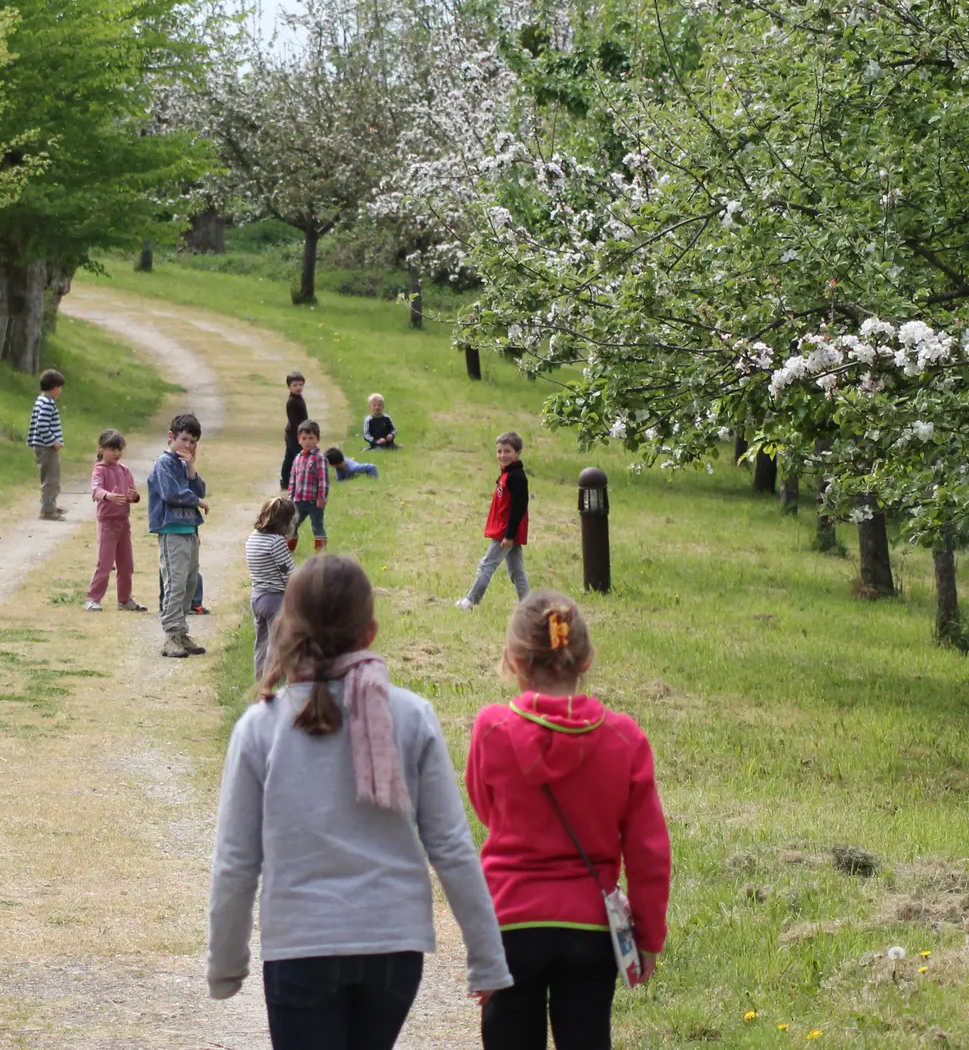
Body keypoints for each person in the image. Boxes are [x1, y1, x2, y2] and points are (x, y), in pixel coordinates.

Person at [207, 556, 514, 1048]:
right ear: (370, 632)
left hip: (300, 948)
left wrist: (226, 963)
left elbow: (236, 862)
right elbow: (452, 848)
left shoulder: (260, 728)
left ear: (286, 627)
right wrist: (487, 959)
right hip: (393, 949)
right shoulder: (412, 715)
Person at [466, 592, 670, 1050]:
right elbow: (648, 852)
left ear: (514, 660)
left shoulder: (492, 728)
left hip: (511, 925)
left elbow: (485, 807)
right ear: (587, 659)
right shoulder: (625, 738)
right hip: (590, 926)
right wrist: (649, 935)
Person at [148, 413, 209, 658]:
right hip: (171, 531)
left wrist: (192, 467)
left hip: (189, 530)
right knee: (175, 583)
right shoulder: (164, 464)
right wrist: (198, 501)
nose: (188, 446)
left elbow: (199, 488)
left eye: (193, 442)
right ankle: (171, 635)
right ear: (171, 437)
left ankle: (182, 631)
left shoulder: (183, 465)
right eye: (184, 439)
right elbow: (172, 494)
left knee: (188, 583)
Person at [457, 433, 529, 609]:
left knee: (486, 565)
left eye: (507, 451)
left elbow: (518, 508)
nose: (502, 455)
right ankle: (529, 606)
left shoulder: (517, 477)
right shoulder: (506, 474)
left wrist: (509, 534)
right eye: (499, 451)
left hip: (505, 532)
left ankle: (470, 601)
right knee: (516, 571)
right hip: (504, 530)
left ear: (517, 453)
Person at [87, 429, 146, 612]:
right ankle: (93, 598)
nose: (117, 453)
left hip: (123, 523)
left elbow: (133, 494)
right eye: (112, 449)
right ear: (101, 449)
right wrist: (108, 496)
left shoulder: (124, 470)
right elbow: (96, 490)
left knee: (126, 564)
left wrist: (134, 496)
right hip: (107, 523)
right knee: (104, 564)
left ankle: (125, 599)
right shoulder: (100, 470)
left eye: (119, 449)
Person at [245, 496, 297, 681]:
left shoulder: (253, 538)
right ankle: (276, 684)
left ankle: (259, 683)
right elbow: (288, 573)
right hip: (275, 599)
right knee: (279, 646)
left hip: (258, 597)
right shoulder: (276, 542)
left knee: (262, 643)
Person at [28, 369, 67, 520]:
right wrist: (54, 441)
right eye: (60, 387)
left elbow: (36, 424)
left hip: (41, 446)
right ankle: (48, 510)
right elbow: (41, 426)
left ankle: (50, 504)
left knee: (50, 477)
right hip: (47, 447)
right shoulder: (47, 403)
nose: (60, 391)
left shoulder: (41, 400)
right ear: (54, 387)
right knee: (52, 479)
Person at [288, 420, 329, 554]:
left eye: (311, 438)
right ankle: (289, 550)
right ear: (299, 440)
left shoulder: (319, 458)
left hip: (314, 501)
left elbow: (323, 480)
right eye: (304, 438)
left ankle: (321, 552)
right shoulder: (298, 458)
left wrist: (321, 497)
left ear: (318, 439)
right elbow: (293, 478)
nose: (307, 442)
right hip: (299, 500)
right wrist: (291, 496)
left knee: (317, 525)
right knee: (292, 525)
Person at [281, 372, 309, 490]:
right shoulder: (292, 402)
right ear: (289, 387)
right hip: (293, 434)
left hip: (298, 432)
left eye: (300, 385)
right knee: (296, 457)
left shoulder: (298, 398)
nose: (298, 387)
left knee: (290, 457)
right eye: (295, 385)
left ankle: (287, 480)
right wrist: (300, 434)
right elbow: (293, 421)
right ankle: (289, 481)